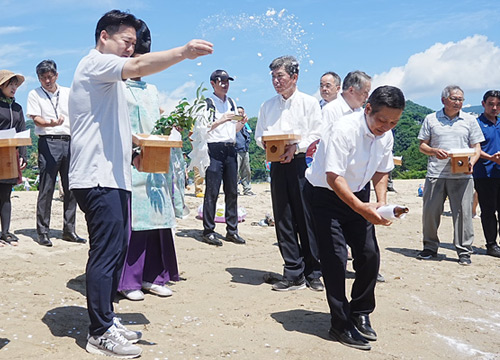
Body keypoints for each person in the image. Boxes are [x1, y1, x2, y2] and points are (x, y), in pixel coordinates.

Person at [68, 9, 212, 358]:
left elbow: (110, 126)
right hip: (96, 178)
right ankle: (99, 333)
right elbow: (136, 68)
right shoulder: (94, 64)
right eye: (126, 42)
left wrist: (134, 150)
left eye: (134, 44)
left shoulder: (108, 80)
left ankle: (107, 319)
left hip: (113, 176)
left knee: (116, 251)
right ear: (104, 36)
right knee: (104, 254)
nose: (131, 50)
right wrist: (183, 52)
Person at [305, 85, 406, 351]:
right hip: (325, 194)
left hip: (358, 192)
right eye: (382, 120)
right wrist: (363, 209)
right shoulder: (343, 130)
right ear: (368, 109)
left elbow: (382, 171)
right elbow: (333, 177)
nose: (386, 126)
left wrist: (381, 205)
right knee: (335, 258)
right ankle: (339, 323)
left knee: (369, 254)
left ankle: (361, 311)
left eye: (393, 122)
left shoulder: (386, 134)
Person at [117, 20, 181, 301]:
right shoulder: (117, 87)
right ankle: (129, 280)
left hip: (155, 163)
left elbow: (158, 123)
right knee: (135, 222)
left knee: (158, 220)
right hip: (132, 163)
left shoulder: (152, 91)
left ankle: (153, 276)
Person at [255, 55, 324, 292]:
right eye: (273, 77)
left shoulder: (309, 103)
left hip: (301, 163)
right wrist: (265, 145)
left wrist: (297, 145)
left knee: (306, 217)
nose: (276, 81)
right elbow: (258, 135)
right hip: (277, 164)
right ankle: (293, 271)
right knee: (282, 217)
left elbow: (317, 133)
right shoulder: (267, 105)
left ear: (294, 77)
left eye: (280, 76)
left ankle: (313, 272)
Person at [417, 85, 483, 265]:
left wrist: (472, 162)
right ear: (443, 100)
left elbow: (477, 147)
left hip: (462, 175)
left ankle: (464, 251)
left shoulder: (470, 120)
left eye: (461, 99)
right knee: (430, 212)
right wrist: (433, 150)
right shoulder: (431, 119)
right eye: (454, 98)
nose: (458, 102)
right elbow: (422, 145)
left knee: (463, 214)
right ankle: (430, 247)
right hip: (436, 173)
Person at [26, 60, 85, 247]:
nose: (47, 80)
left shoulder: (68, 92)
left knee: (70, 188)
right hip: (48, 141)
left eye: (50, 76)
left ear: (56, 75)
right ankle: (42, 231)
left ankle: (69, 230)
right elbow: (36, 119)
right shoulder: (34, 94)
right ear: (39, 78)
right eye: (43, 78)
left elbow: (79, 113)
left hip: (69, 140)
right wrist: (51, 124)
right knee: (47, 187)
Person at [195, 69, 247, 247]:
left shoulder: (231, 102)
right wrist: (222, 119)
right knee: (212, 191)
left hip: (230, 148)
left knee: (232, 191)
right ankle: (208, 231)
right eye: (221, 81)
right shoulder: (207, 103)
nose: (225, 84)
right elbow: (202, 129)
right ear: (213, 83)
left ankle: (232, 230)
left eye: (227, 81)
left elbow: (234, 130)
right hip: (214, 149)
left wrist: (241, 122)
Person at [0, 70, 27, 246]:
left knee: (5, 195)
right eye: (11, 84)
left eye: (16, 85)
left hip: (10, 156)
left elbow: (22, 132)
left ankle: (5, 232)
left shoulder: (17, 108)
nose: (14, 88)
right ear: (1, 85)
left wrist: (23, 155)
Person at [473, 90, 500, 258]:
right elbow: (473, 148)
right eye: (490, 104)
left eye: (497, 105)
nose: (494, 107)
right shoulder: (476, 124)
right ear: (483, 104)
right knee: (488, 211)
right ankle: (491, 244)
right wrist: (491, 157)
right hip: (484, 174)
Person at [235, 106, 255, 196]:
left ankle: (247, 189)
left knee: (246, 171)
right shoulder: (233, 123)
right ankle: (235, 190)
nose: (240, 114)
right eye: (238, 112)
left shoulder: (246, 124)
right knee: (235, 171)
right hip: (236, 150)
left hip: (245, 149)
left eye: (241, 112)